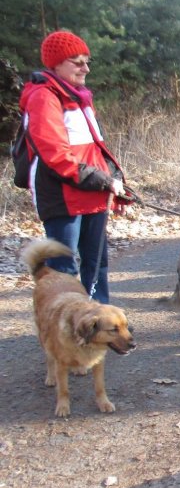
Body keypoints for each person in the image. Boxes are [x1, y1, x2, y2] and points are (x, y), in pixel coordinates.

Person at [19, 30, 129, 303]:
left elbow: (97, 149)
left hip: (92, 194)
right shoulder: (44, 97)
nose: (86, 68)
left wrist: (115, 180)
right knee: (63, 269)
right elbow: (56, 156)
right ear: (55, 64)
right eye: (77, 62)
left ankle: (99, 320)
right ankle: (66, 325)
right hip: (62, 197)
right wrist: (103, 180)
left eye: (87, 61)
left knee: (97, 264)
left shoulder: (79, 97)